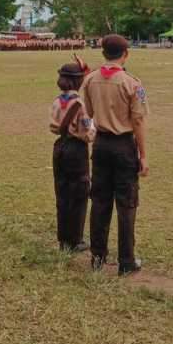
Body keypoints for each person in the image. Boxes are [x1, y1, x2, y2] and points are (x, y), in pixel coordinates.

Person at [80, 34, 149, 275]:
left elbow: (88, 113)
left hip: (101, 145)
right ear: (126, 54)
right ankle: (126, 260)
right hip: (123, 146)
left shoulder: (90, 80)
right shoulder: (132, 83)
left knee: (100, 201)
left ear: (103, 53)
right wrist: (143, 155)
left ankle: (97, 256)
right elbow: (138, 121)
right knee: (127, 204)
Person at [49, 57, 95, 253]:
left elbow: (53, 127)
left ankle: (63, 239)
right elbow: (87, 132)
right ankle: (75, 239)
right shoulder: (79, 104)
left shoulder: (57, 101)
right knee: (78, 194)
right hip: (76, 150)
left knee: (62, 192)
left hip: (60, 146)